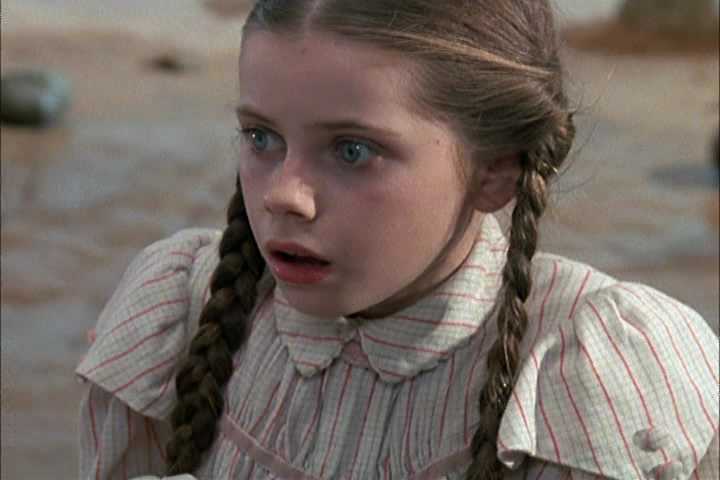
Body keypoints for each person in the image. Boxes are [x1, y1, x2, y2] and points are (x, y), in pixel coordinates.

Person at [75, 1, 719, 479]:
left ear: (496, 171)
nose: (282, 194)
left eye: (353, 150)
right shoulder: (187, 309)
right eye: (261, 137)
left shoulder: (583, 372)